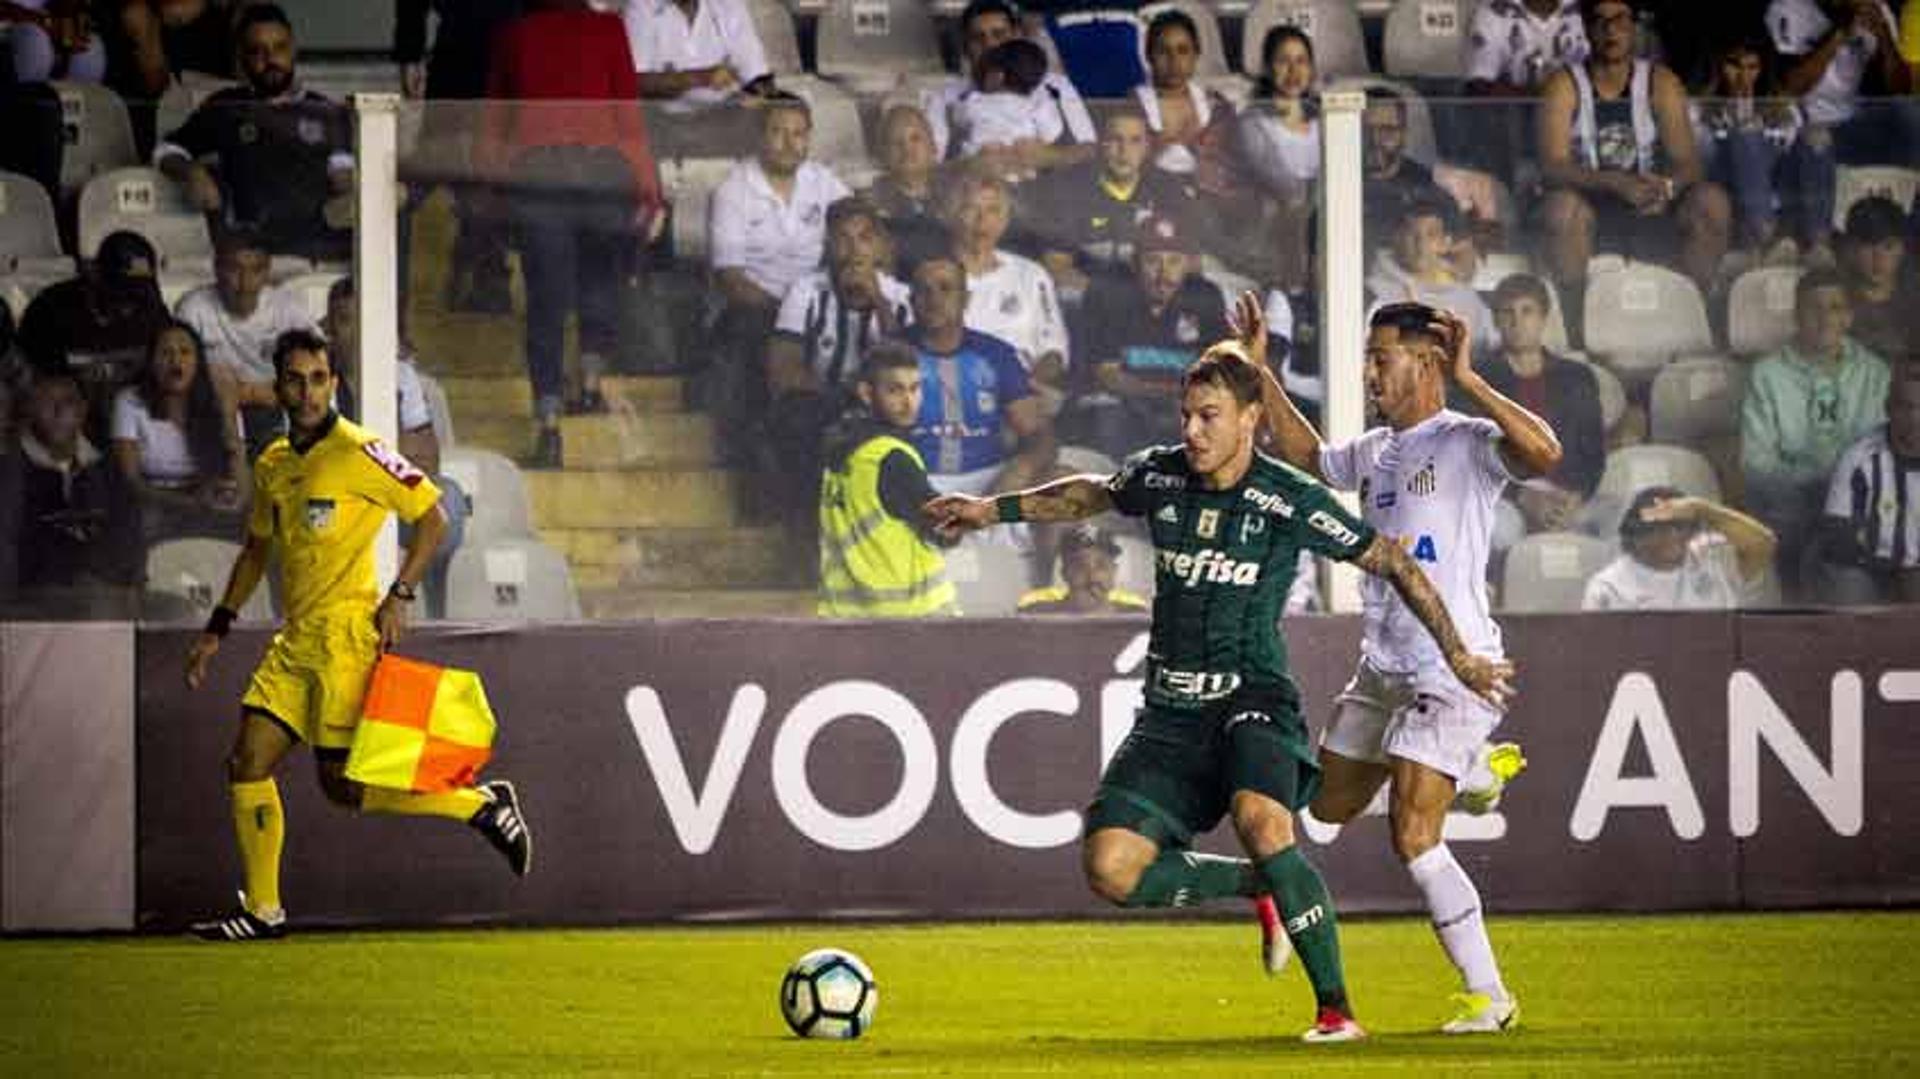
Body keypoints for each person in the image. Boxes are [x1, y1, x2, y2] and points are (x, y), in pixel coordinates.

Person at [925, 309, 1515, 1042]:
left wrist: (1458, 653)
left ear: (1249, 420)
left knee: (1268, 820)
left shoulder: (1283, 496)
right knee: (1112, 869)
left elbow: (1392, 559)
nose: (1193, 430)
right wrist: (990, 509)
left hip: (1254, 703)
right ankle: (1258, 886)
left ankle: (1336, 1010)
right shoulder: (1160, 474)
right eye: (1186, 415)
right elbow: (1091, 492)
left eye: (1209, 416)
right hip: (1169, 715)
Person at [1258, 299, 1556, 1034]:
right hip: (1384, 667)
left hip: (1455, 667)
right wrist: (1261, 369)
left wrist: (1472, 378)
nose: (1368, 373)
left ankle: (1490, 995)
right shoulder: (1375, 451)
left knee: (1415, 835)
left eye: (1380, 357)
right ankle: (1475, 769)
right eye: (1367, 357)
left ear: (1425, 363)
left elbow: (1545, 454)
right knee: (1325, 807)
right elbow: (1305, 456)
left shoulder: (1466, 440)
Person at [181, 329, 531, 942]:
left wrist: (400, 593)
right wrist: (218, 627)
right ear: (279, 386)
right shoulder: (274, 463)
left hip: (346, 635)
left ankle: (479, 803)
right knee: (245, 761)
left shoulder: (361, 451)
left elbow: (433, 516)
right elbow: (257, 550)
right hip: (296, 641)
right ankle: (263, 911)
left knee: (343, 787)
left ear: (333, 383)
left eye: (319, 379)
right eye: (295, 380)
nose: (308, 391)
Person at [477, 0, 665, 469]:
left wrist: (494, 193)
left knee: (547, 298)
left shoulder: (516, 31)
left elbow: (495, 125)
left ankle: (549, 424)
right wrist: (649, 190)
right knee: (598, 279)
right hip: (601, 172)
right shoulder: (607, 29)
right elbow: (629, 121)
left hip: (539, 175)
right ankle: (589, 385)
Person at [1535, 0, 1732, 302]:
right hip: (1588, 202)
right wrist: (1613, 182)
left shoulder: (1661, 81)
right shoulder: (1564, 84)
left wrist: (1666, 187)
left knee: (1712, 202)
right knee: (1562, 210)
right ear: (1587, 29)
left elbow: (1689, 164)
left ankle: (1693, 312)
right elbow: (1552, 166)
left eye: (1620, 19)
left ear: (1634, 27)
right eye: (1600, 21)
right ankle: (1576, 319)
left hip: (1651, 201)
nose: (1610, 29)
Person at [762, 196, 910, 551]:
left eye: (864, 238)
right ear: (828, 246)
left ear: (880, 246)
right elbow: (782, 368)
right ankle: (807, 543)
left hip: (885, 409)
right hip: (821, 404)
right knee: (797, 419)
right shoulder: (807, 291)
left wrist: (877, 301)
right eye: (843, 239)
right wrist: (842, 395)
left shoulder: (900, 297)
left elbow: (906, 369)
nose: (854, 249)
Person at [707, 94, 851, 454]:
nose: (789, 143)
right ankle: (756, 447)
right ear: (759, 136)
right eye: (778, 132)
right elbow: (730, 278)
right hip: (755, 305)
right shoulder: (733, 190)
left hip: (818, 304)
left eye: (799, 133)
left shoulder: (824, 183)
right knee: (755, 333)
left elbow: (861, 232)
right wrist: (787, 315)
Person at [154, 4, 355, 261]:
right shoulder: (225, 107)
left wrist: (352, 183)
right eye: (257, 51)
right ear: (242, 57)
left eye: (279, 48)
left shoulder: (323, 110)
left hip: (314, 243)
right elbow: (166, 149)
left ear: (293, 50)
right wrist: (189, 170)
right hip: (248, 246)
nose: (270, 60)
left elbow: (342, 171)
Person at [322, 277, 468, 617]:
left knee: (449, 499)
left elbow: (429, 459)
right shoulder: (316, 377)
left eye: (364, 319)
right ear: (329, 328)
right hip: (338, 505)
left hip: (394, 497)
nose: (356, 331)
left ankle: (434, 612)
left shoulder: (401, 374)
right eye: (345, 320)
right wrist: (395, 447)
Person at [1741, 267, 1892, 591]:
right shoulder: (1766, 375)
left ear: (1849, 317)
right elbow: (1756, 464)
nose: (1825, 318)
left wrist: (1842, 492)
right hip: (1791, 504)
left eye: (1835, 308)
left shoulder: (1875, 372)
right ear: (1796, 316)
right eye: (1814, 308)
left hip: (1858, 505)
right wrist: (1818, 484)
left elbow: (1882, 450)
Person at [1063, 211, 1229, 460]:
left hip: (1180, 409)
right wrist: (1169, 393)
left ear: (1189, 263)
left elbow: (1215, 379)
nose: (1164, 275)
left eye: (1174, 261)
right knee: (1108, 422)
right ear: (1134, 262)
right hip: (1119, 407)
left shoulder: (1205, 297)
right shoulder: (1108, 291)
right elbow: (1107, 376)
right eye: (1153, 261)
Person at [393, 0, 524, 313]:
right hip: (460, 54)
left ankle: (487, 270)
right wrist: (410, 53)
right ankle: (467, 273)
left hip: (515, 47)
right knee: (445, 162)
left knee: (500, 170)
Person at [817, 342, 958, 617]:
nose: (909, 402)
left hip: (844, 616)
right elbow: (946, 530)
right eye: (895, 390)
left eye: (915, 388)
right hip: (911, 618)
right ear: (866, 393)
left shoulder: (837, 449)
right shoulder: (892, 458)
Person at [903, 249, 1054, 495]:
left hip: (990, 482)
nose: (934, 300)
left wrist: (1022, 467)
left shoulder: (996, 355)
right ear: (911, 301)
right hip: (913, 482)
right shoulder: (891, 355)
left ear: (966, 299)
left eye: (946, 288)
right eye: (924, 290)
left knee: (1061, 480)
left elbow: (1038, 433)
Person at [1, 364, 143, 617]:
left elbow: (128, 532)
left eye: (69, 401)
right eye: (46, 402)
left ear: (83, 410)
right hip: (29, 601)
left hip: (98, 596)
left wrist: (121, 583)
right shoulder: (10, 469)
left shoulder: (105, 466)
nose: (59, 411)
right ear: (31, 409)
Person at [1022, 102, 1200, 301]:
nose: (1124, 150)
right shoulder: (1066, 188)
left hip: (1155, 294)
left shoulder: (1168, 188)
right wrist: (1112, 300)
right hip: (1091, 296)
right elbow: (1057, 267)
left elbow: (1192, 262)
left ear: (1147, 147)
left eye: (1135, 141)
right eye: (1115, 140)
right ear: (1100, 144)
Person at [1479, 273, 1607, 534]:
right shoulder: (1476, 378)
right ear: (1495, 320)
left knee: (1621, 515)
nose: (1517, 322)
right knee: (1499, 528)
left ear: (1543, 318)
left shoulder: (1577, 376)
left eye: (1527, 311)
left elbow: (1593, 453)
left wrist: (1576, 497)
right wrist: (1523, 496)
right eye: (1507, 313)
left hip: (1568, 494)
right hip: (1507, 497)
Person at [173, 228, 317, 458]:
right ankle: (235, 459)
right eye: (234, 269)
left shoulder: (287, 307)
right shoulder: (194, 308)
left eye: (256, 270)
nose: (245, 282)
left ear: (267, 271)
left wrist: (262, 392)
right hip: (214, 410)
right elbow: (179, 371)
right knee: (218, 379)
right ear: (217, 269)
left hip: (277, 402)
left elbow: (319, 365)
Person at [110, 319, 247, 541]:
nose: (176, 360)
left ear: (198, 362)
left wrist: (228, 415)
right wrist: (190, 503)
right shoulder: (129, 401)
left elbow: (240, 471)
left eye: (185, 352)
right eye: (166, 353)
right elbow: (131, 481)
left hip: (206, 494)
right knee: (147, 519)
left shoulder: (218, 401)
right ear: (152, 362)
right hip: (153, 499)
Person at [920, 0, 1095, 169]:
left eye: (999, 34)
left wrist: (1049, 157)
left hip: (1049, 190)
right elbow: (929, 167)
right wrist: (970, 165)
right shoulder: (945, 98)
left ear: (1017, 36)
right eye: (977, 38)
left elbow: (1089, 149)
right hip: (974, 192)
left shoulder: (1055, 86)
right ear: (965, 46)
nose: (989, 45)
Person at [944, 170, 1070, 397]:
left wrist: (1021, 387)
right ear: (952, 216)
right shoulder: (934, 275)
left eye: (993, 210)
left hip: (1025, 391)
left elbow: (1054, 350)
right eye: (971, 209)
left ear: (1005, 220)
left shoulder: (1031, 274)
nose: (982, 220)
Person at [1812, 366, 1920, 603]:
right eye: (1906, 407)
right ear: (1888, 409)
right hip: (1868, 567)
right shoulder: (1860, 459)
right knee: (1849, 588)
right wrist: (1903, 568)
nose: (1916, 418)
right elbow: (1840, 539)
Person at [1583, 484, 1779, 608]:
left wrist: (1703, 509)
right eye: (1659, 527)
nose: (1672, 535)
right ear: (1634, 536)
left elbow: (1764, 544)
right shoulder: (1608, 587)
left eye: (1679, 525)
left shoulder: (1712, 556)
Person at [1769, 0, 1915, 165]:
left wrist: (1884, 36)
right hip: (1804, 127)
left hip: (1852, 126)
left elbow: (1901, 90)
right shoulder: (1789, 7)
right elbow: (1791, 87)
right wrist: (1839, 35)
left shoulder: (1876, 8)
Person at [16, 230, 170, 383]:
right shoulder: (50, 308)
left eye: (138, 294)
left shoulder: (152, 308)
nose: (129, 304)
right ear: (95, 274)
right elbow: (29, 371)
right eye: (121, 292)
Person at [1366, 196, 1501, 358]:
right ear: (1397, 238)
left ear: (1445, 243)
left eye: (1431, 235)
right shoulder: (1374, 292)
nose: (1421, 244)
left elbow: (1490, 350)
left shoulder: (1465, 298)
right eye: (1412, 234)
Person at [1131, 8, 1237, 195]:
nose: (1174, 61)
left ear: (1196, 55)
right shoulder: (1133, 106)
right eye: (1163, 51)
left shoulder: (1215, 105)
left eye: (1183, 50)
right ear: (1149, 56)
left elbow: (1232, 161)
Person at [623, 0, 776, 107]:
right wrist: (701, 77)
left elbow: (759, 78)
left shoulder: (729, 4)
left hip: (726, 118)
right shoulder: (641, 6)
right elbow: (635, 82)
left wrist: (751, 97)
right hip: (664, 124)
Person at [863, 104, 947, 274]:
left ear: (933, 147)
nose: (907, 149)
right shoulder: (871, 205)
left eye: (915, 138)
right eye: (896, 142)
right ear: (882, 154)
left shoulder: (957, 194)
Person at [1838, 195, 1919, 360]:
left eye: (1888, 247)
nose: (1878, 258)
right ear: (1851, 249)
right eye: (1868, 247)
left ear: (1902, 249)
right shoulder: (1833, 295)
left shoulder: (1914, 290)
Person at [953, 38, 1055, 168]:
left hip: (979, 161)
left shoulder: (975, 100)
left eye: (985, 73)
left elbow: (958, 119)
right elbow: (1051, 133)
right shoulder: (1036, 105)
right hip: (1022, 163)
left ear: (997, 76)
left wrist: (965, 96)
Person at [1015, 522, 1148, 614]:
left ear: (1114, 571)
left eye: (1101, 566)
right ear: (1064, 573)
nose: (1092, 576)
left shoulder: (1135, 618)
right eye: (1079, 566)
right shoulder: (1036, 616)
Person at [1466, 0, 1590, 97]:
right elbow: (1478, 88)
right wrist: (1546, 96)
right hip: (1509, 123)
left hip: (1581, 123)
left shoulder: (1587, 9)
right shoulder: (1492, 11)